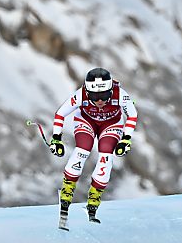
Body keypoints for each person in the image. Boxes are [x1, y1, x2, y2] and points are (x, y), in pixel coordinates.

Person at [49, 67, 138, 225]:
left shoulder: (120, 94)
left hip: (111, 124)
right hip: (86, 121)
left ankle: (94, 199)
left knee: (106, 154)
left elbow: (132, 114)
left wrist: (126, 139)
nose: (99, 101)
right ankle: (67, 190)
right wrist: (56, 138)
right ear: (87, 92)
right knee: (83, 148)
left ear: (111, 90)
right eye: (94, 96)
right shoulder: (81, 94)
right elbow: (60, 113)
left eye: (104, 95)